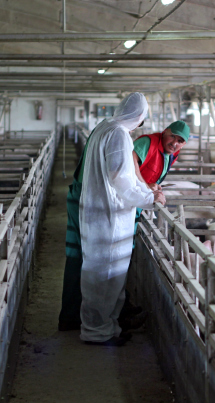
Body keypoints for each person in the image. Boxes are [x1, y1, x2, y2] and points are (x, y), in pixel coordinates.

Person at [71, 93, 165, 346]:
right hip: (108, 217)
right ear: (139, 116)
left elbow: (124, 174)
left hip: (101, 213)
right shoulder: (119, 135)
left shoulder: (104, 127)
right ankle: (96, 330)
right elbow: (120, 179)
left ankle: (107, 326)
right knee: (105, 275)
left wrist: (147, 191)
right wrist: (150, 200)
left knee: (107, 275)